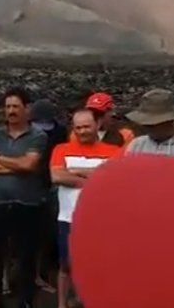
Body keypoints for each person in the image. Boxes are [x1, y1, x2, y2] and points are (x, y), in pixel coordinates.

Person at [0, 87, 48, 308]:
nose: (11, 111)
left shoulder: (38, 136)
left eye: (15, 106)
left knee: (26, 256)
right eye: (7, 107)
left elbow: (29, 165)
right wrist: (14, 166)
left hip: (26, 203)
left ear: (26, 109)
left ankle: (25, 301)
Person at [50, 109, 121, 308]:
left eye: (86, 127)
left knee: (99, 265)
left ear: (97, 125)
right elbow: (57, 176)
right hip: (68, 218)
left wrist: (76, 171)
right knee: (66, 265)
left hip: (101, 220)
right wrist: (97, 175)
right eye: (78, 127)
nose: (82, 131)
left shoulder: (113, 151)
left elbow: (115, 179)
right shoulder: (61, 149)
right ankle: (62, 304)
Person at [28, 99, 68, 293]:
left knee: (47, 236)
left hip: (52, 187)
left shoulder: (60, 132)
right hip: (28, 185)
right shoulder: (27, 133)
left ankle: (41, 275)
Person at [125, 88, 174, 157]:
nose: (147, 127)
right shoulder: (137, 145)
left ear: (169, 120)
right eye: (145, 123)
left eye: (152, 123)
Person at [69, 92, 135, 147]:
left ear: (110, 112)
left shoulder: (125, 135)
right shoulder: (78, 134)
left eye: (100, 114)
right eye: (92, 114)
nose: (96, 117)